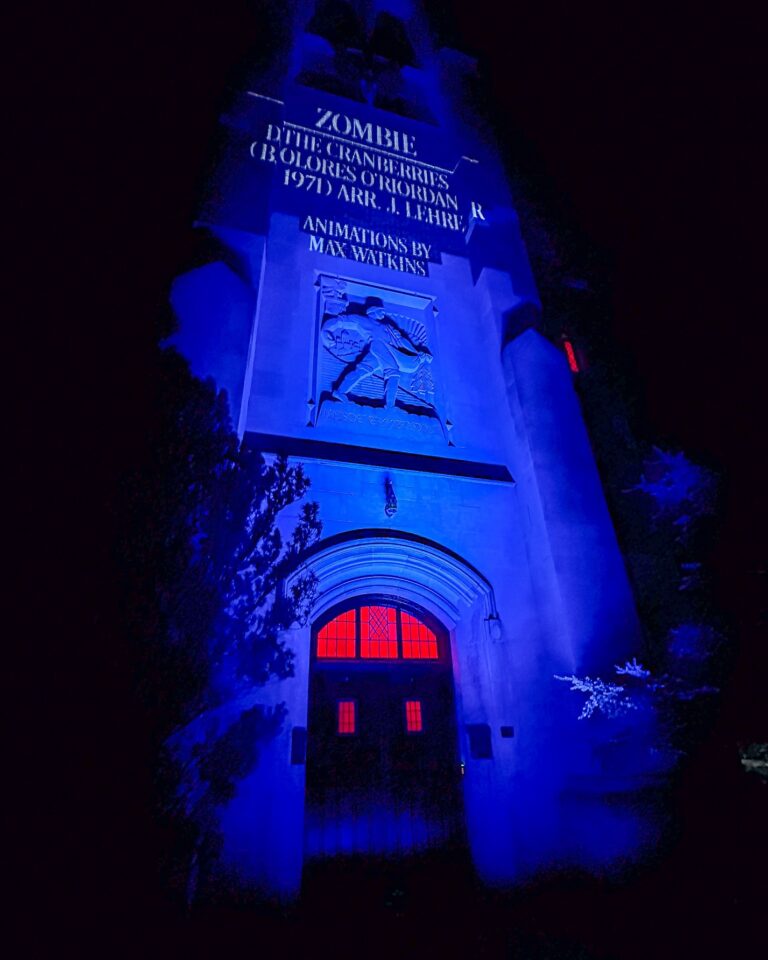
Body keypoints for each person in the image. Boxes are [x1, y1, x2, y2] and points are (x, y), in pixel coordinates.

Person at [322, 296, 433, 408]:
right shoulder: (362, 320)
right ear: (373, 311)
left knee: (362, 370)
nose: (384, 314)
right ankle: (390, 406)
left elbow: (402, 340)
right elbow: (340, 321)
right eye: (381, 311)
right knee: (392, 372)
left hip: (382, 351)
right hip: (378, 347)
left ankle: (340, 391)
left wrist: (416, 351)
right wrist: (325, 330)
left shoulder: (387, 326)